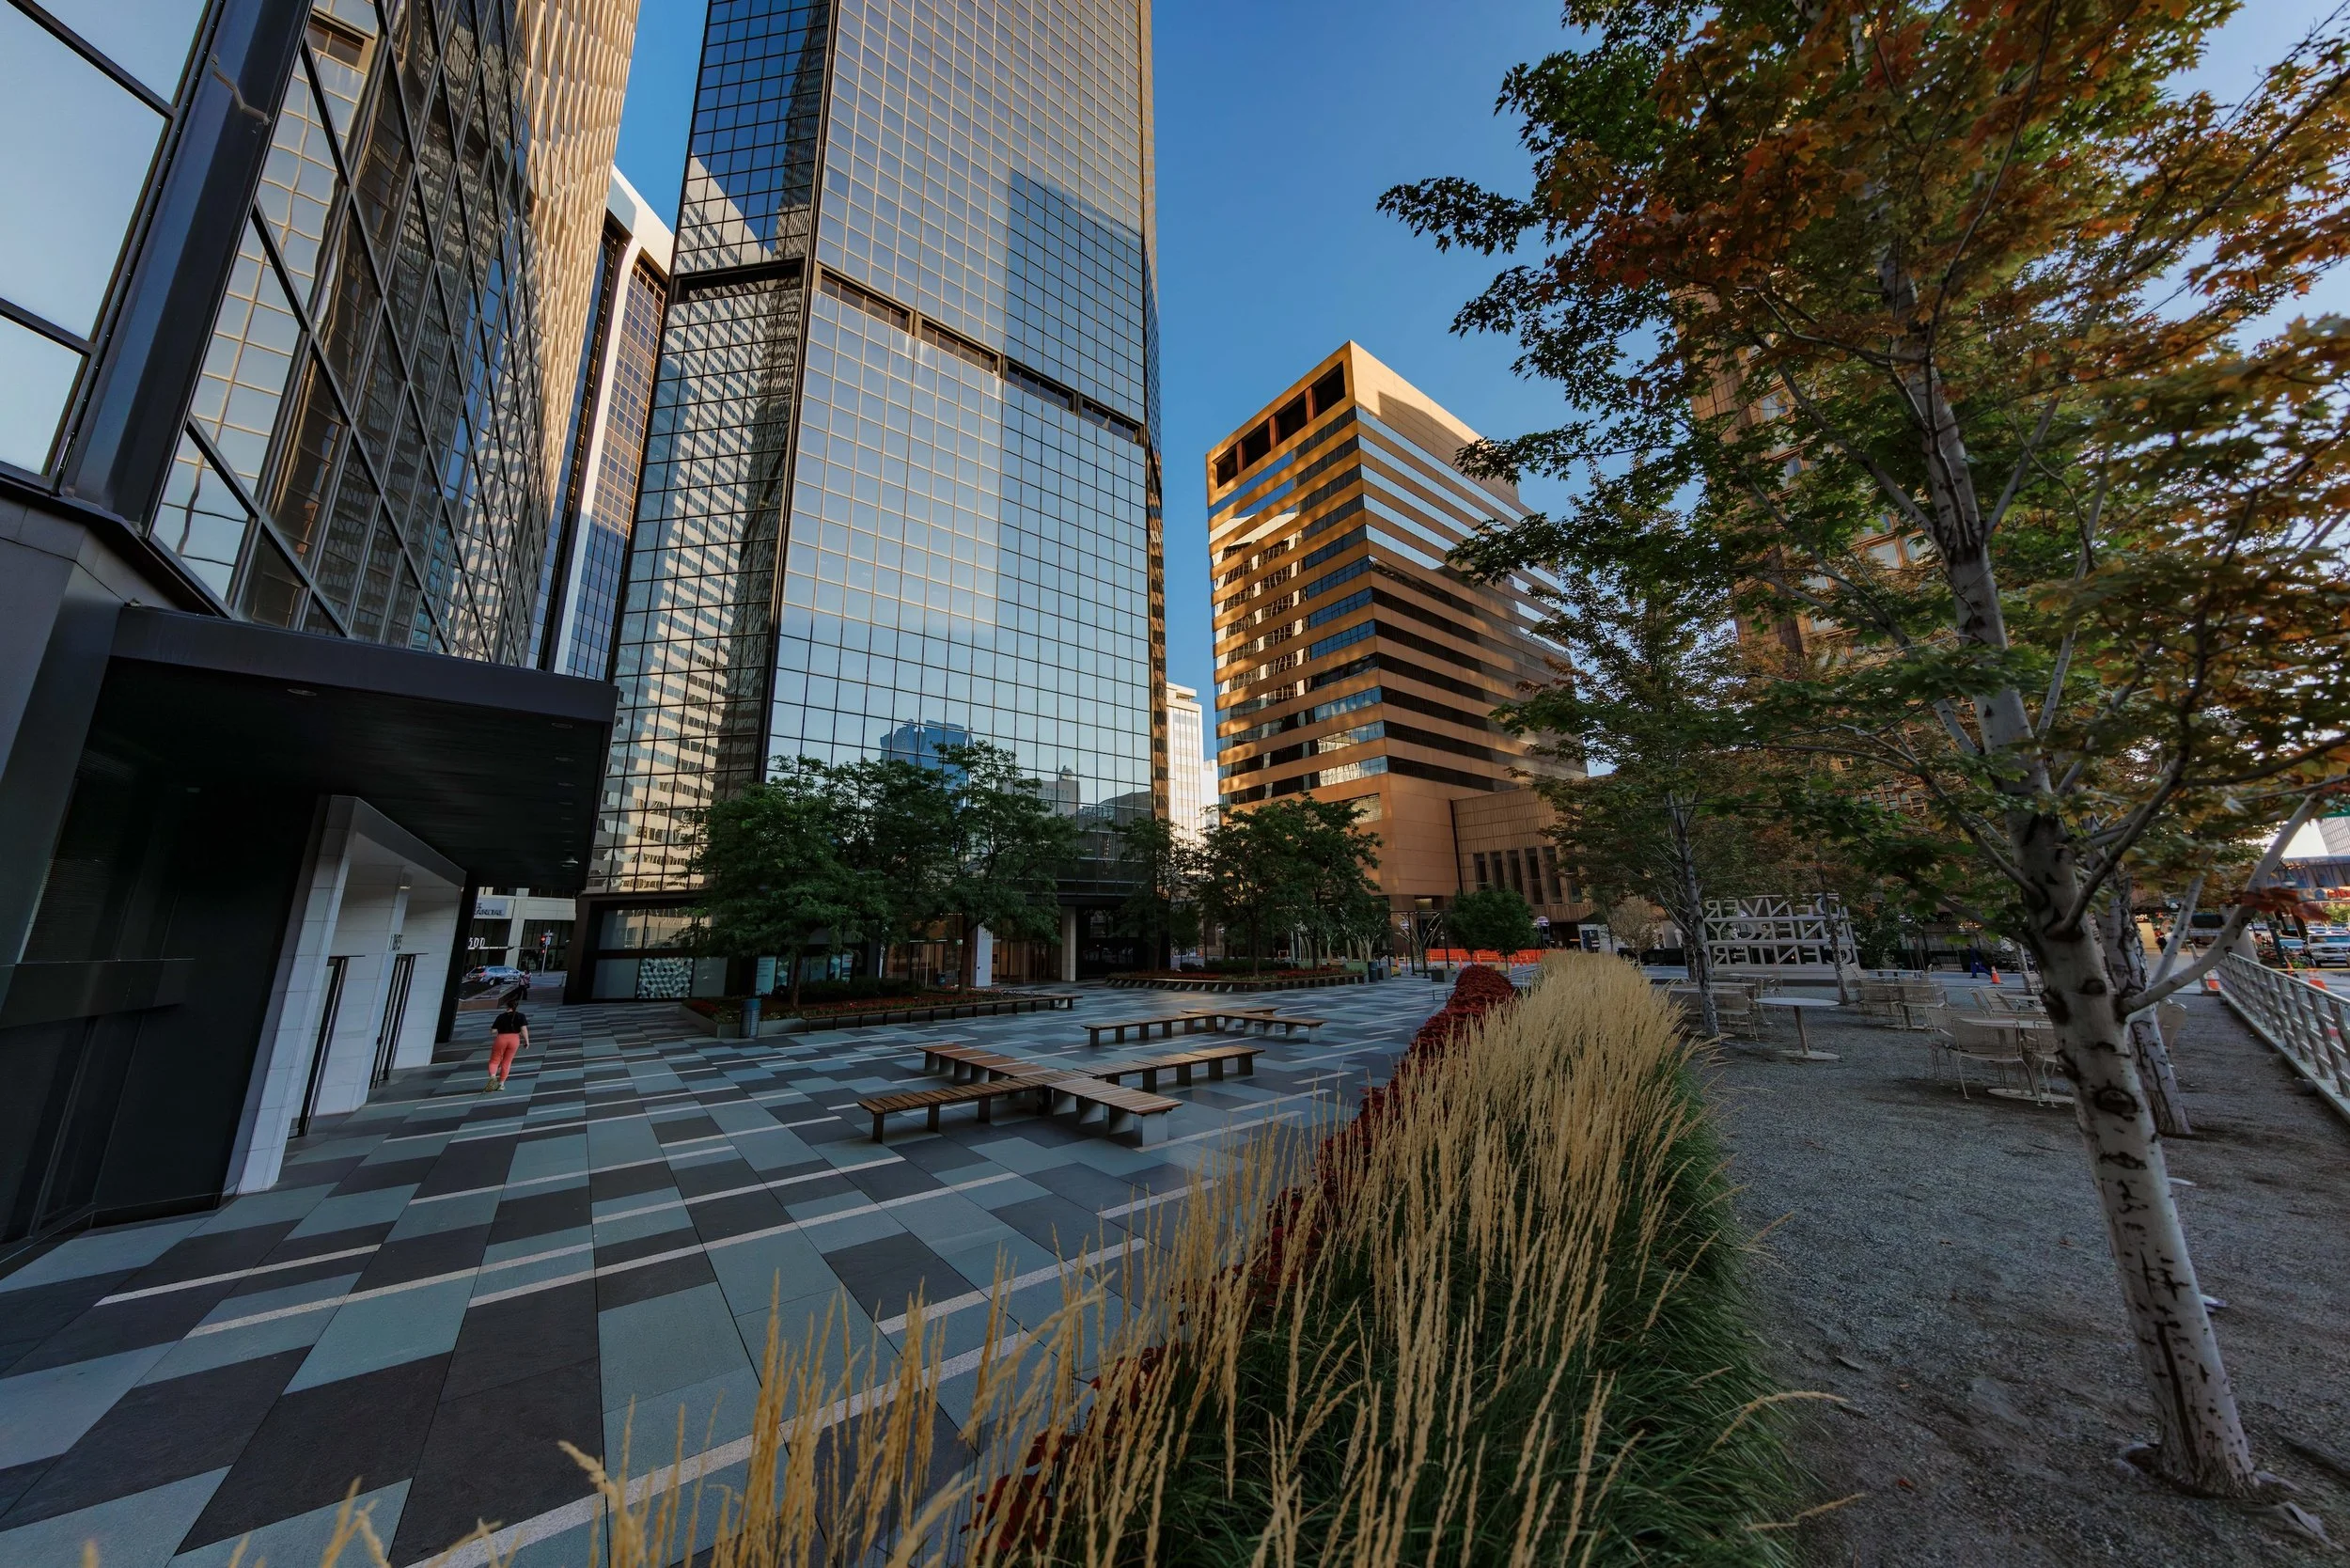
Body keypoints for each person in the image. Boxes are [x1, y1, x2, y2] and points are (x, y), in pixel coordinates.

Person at [487, 1000, 530, 1090]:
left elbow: (493, 1031)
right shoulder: (521, 1016)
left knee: (494, 1060)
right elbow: (524, 1030)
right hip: (514, 1039)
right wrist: (527, 1041)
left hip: (501, 1038)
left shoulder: (501, 1017)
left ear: (507, 1006)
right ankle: (501, 1084)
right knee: (507, 1062)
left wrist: (493, 1029)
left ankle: (493, 1077)